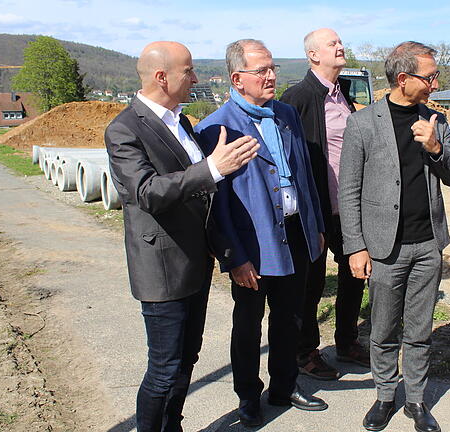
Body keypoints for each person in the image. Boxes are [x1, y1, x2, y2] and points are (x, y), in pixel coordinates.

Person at [104, 41, 259, 432]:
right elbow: (146, 193)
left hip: (193, 263)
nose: (194, 77)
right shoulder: (124, 129)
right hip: (162, 271)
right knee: (163, 368)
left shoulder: (181, 122)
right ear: (162, 77)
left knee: (186, 357)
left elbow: (198, 195)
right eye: (188, 71)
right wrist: (211, 168)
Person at [194, 39, 328, 428]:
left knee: (291, 318)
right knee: (249, 325)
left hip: (296, 233)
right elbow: (215, 207)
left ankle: (284, 386)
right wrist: (234, 257)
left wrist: (315, 225)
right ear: (237, 79)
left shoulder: (286, 114)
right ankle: (248, 397)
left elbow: (304, 175)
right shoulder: (215, 127)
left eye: (272, 68)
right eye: (261, 71)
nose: (271, 76)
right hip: (253, 242)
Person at [339, 41, 450, 432]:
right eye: (429, 77)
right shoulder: (362, 123)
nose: (435, 83)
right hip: (384, 247)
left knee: (419, 328)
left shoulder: (436, 122)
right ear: (403, 78)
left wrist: (435, 146)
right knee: (383, 327)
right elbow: (349, 190)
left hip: (428, 244)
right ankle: (383, 396)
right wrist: (355, 246)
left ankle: (415, 400)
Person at [280, 27, 369, 381]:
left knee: (354, 275)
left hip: (347, 207)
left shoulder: (344, 95)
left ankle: (347, 341)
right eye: (332, 43)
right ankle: (305, 352)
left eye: (340, 41)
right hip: (314, 208)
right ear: (313, 55)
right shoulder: (297, 98)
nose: (340, 46)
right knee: (311, 283)